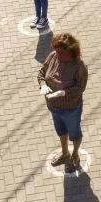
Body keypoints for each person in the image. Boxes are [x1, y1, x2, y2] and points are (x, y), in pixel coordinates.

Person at [38, 33, 88, 170]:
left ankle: (75, 154)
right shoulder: (53, 56)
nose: (58, 54)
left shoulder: (79, 65)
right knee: (61, 131)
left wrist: (64, 92)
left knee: (74, 133)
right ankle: (65, 153)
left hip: (71, 108)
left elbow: (80, 87)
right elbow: (42, 72)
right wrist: (42, 84)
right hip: (54, 107)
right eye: (56, 50)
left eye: (61, 52)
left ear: (71, 51)